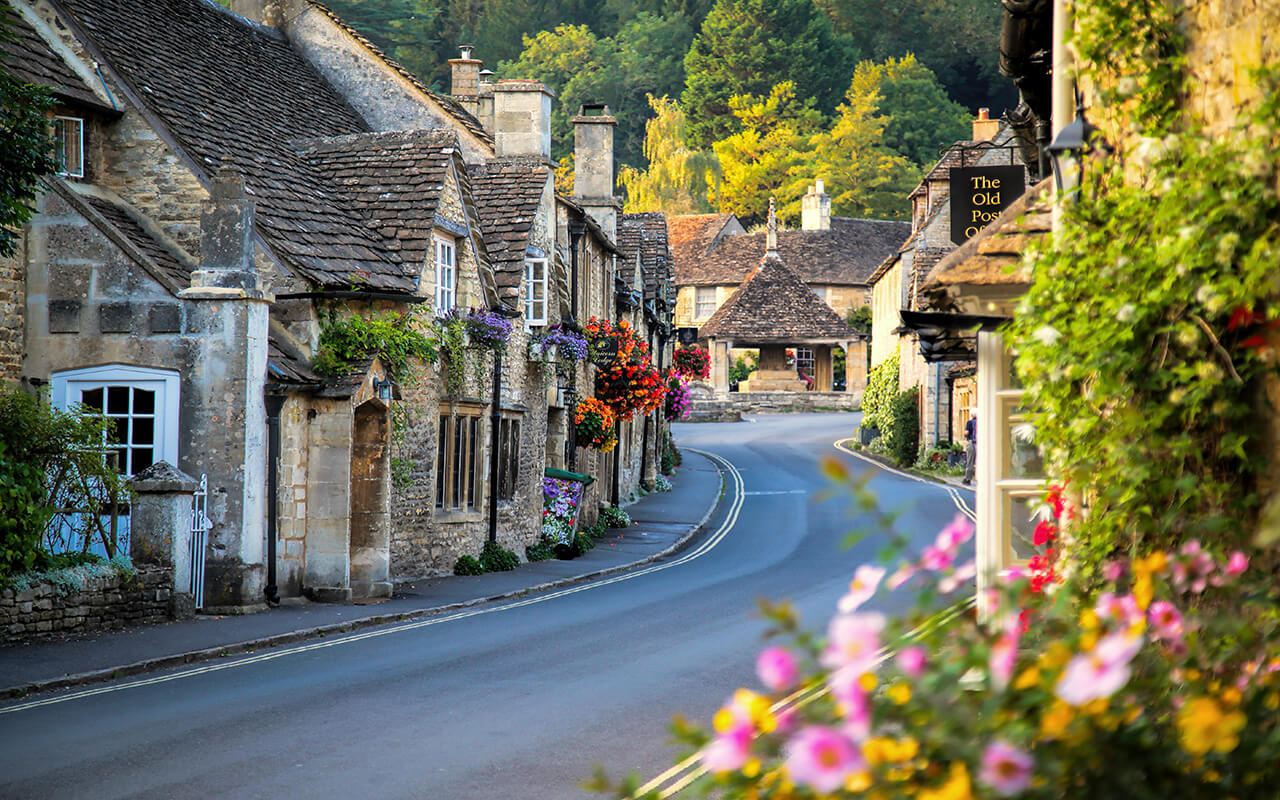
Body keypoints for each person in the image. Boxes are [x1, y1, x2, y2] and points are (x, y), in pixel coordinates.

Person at [962, 408, 977, 485]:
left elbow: (966, 433)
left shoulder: (969, 422)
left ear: (972, 414)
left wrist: (964, 433)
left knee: (970, 461)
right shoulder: (982, 422)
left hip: (972, 443)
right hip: (980, 444)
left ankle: (968, 479)